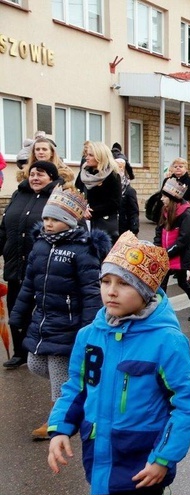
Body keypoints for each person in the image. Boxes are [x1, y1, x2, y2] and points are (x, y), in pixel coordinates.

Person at [47, 232, 190, 495]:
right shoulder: (89, 336)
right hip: (100, 454)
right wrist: (61, 428)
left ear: (146, 291)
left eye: (124, 283)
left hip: (143, 464)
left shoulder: (167, 341)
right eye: (105, 281)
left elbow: (186, 405)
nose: (111, 291)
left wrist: (163, 458)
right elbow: (76, 387)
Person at [9, 186, 110, 438]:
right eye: (45, 218)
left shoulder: (82, 249)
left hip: (69, 323)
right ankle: (79, 392)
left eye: (54, 219)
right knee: (34, 363)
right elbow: (29, 284)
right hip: (43, 320)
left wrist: (89, 328)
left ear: (68, 220)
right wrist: (18, 315)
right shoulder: (41, 245)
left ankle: (58, 419)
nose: (48, 224)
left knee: (57, 370)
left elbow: (90, 292)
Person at [1, 161, 64, 369]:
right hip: (15, 264)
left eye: (41, 174)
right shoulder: (19, 195)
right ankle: (21, 352)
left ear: (52, 177)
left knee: (43, 310)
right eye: (33, 174)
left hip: (43, 267)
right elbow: (5, 228)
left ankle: (44, 350)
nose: (35, 178)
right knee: (16, 307)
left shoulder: (58, 196)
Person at [155, 178, 190, 321]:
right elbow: (159, 231)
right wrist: (157, 248)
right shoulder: (165, 211)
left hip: (179, 255)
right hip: (166, 254)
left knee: (182, 283)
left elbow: (184, 239)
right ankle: (160, 312)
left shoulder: (185, 215)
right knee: (162, 285)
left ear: (172, 198)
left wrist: (168, 252)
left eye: (164, 196)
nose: (162, 199)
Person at [76, 141, 122, 244]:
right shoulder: (83, 173)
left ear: (100, 156)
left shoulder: (113, 176)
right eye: (86, 154)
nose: (87, 157)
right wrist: (81, 208)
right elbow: (76, 193)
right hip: (82, 222)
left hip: (103, 224)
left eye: (91, 155)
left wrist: (91, 212)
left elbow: (115, 203)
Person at [116, 158, 140, 237]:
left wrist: (134, 230)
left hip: (124, 229)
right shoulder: (109, 187)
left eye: (120, 167)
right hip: (112, 227)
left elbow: (134, 212)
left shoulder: (129, 190)